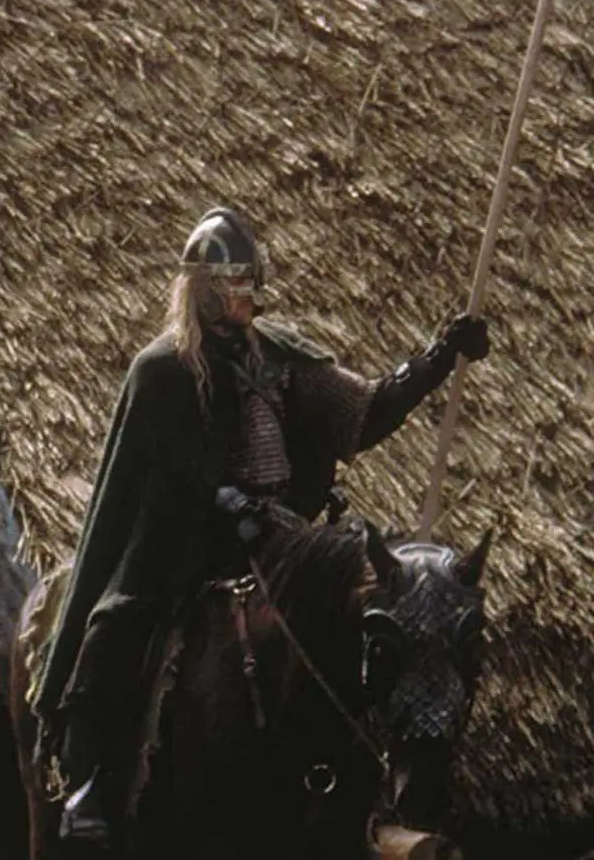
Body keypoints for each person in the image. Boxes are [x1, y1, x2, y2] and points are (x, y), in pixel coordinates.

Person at [33, 206, 492, 845]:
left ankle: (387, 780)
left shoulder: (279, 357)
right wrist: (224, 502)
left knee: (362, 629)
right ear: (200, 288)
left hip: (280, 543)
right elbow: (166, 471)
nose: (244, 295)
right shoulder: (162, 369)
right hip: (185, 550)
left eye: (250, 281)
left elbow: (363, 414)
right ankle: (85, 786)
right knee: (113, 628)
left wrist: (437, 359)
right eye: (231, 283)